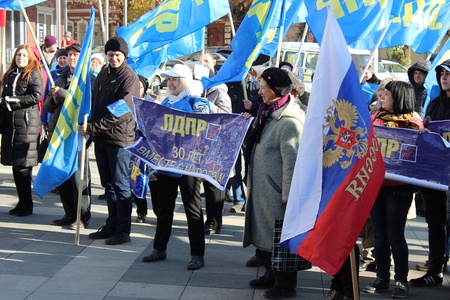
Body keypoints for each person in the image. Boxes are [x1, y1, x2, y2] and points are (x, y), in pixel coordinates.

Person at [242, 68, 305, 299]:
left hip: (279, 191)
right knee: (269, 235)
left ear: (275, 90)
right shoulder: (268, 112)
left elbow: (293, 163)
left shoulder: (289, 121)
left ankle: (285, 284)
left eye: (263, 87)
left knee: (281, 237)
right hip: (266, 188)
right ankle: (270, 274)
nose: (259, 91)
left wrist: (289, 197)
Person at [141, 64, 210, 270]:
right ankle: (159, 248)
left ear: (186, 82)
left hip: (188, 166)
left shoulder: (196, 102)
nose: (170, 83)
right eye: (169, 80)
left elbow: (205, 125)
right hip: (166, 166)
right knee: (164, 209)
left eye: (175, 80)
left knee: (192, 210)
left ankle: (197, 254)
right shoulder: (164, 101)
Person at [363, 81, 423, 299]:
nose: (382, 97)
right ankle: (381, 278)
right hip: (377, 186)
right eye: (382, 94)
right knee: (379, 235)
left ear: (400, 98)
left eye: (387, 94)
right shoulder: (376, 118)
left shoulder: (414, 124)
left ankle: (401, 280)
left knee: (395, 235)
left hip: (400, 189)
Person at [80, 36, 140, 245]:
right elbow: (97, 103)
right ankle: (111, 225)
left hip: (120, 140)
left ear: (124, 56)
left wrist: (94, 127)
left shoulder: (129, 77)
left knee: (121, 185)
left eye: (117, 55)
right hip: (103, 138)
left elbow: (122, 111)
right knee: (109, 186)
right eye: (110, 55)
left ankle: (123, 231)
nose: (113, 58)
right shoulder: (105, 72)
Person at [409, 59, 450, 287]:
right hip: (435, 173)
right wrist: (423, 129)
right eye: (442, 73)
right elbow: (428, 128)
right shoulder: (434, 103)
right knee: (435, 223)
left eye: (448, 73)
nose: (444, 77)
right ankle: (435, 270)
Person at [43, 43, 92, 229]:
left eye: (75, 55)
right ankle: (69, 213)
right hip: (59, 131)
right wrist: (54, 97)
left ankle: (82, 216)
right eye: (69, 54)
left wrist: (62, 94)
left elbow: (80, 102)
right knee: (62, 174)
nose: (71, 58)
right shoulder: (60, 76)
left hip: (77, 133)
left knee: (79, 176)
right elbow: (48, 105)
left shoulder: (87, 78)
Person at [1, 45, 44, 216]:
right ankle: (21, 202)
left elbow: (36, 96)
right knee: (15, 165)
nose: (21, 58)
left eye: (24, 55)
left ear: (30, 58)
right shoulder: (11, 74)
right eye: (18, 54)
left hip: (26, 124)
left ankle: (27, 204)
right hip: (11, 124)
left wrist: (14, 100)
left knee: (23, 166)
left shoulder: (33, 74)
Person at [200, 51, 232, 234]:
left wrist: (209, 106)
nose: (203, 65)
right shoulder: (198, 89)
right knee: (205, 185)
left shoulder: (219, 91)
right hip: (202, 144)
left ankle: (214, 221)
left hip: (217, 146)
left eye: (206, 61)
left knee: (214, 186)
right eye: (200, 62)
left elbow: (227, 116)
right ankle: (207, 219)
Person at [131, 74, 159, 223]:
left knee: (154, 182)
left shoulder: (152, 104)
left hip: (150, 150)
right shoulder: (126, 102)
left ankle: (159, 211)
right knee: (135, 179)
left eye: (140, 86)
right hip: (132, 148)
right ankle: (141, 211)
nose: (137, 89)